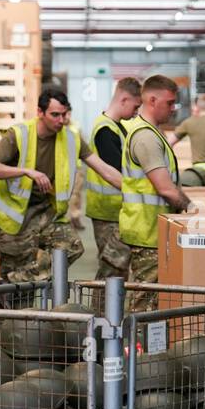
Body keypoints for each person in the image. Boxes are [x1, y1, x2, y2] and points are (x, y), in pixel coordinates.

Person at [0, 85, 123, 282]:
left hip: (45, 214)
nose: (61, 120)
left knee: (72, 246)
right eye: (55, 115)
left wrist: (132, 190)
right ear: (40, 112)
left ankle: (18, 280)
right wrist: (25, 171)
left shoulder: (70, 137)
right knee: (16, 272)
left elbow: (102, 168)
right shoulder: (19, 135)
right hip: (13, 217)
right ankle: (12, 289)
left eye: (64, 114)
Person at [121, 75, 193, 312]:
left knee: (151, 301)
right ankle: (138, 348)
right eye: (170, 103)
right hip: (147, 233)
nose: (173, 109)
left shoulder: (152, 132)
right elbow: (165, 188)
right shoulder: (146, 137)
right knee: (145, 304)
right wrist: (193, 210)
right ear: (152, 100)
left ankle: (144, 347)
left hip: (152, 230)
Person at [85, 77, 142, 280]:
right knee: (112, 269)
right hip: (107, 210)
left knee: (118, 269)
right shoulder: (105, 130)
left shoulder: (117, 127)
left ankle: (108, 311)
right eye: (135, 106)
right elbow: (117, 171)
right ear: (124, 99)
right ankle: (101, 311)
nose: (136, 112)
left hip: (115, 209)